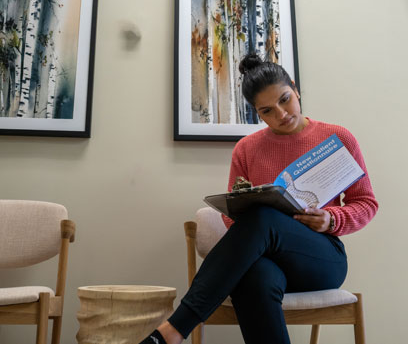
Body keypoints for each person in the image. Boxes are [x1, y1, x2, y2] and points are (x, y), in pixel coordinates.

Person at [140, 54, 378, 344]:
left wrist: (331, 219)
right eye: (267, 110)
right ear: (257, 114)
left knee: (263, 218)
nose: (281, 114)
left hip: (321, 258)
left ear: (295, 88)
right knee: (254, 276)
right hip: (265, 259)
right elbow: (232, 218)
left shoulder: (337, 138)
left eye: (285, 99)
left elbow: (366, 202)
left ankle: (173, 331)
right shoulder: (246, 149)